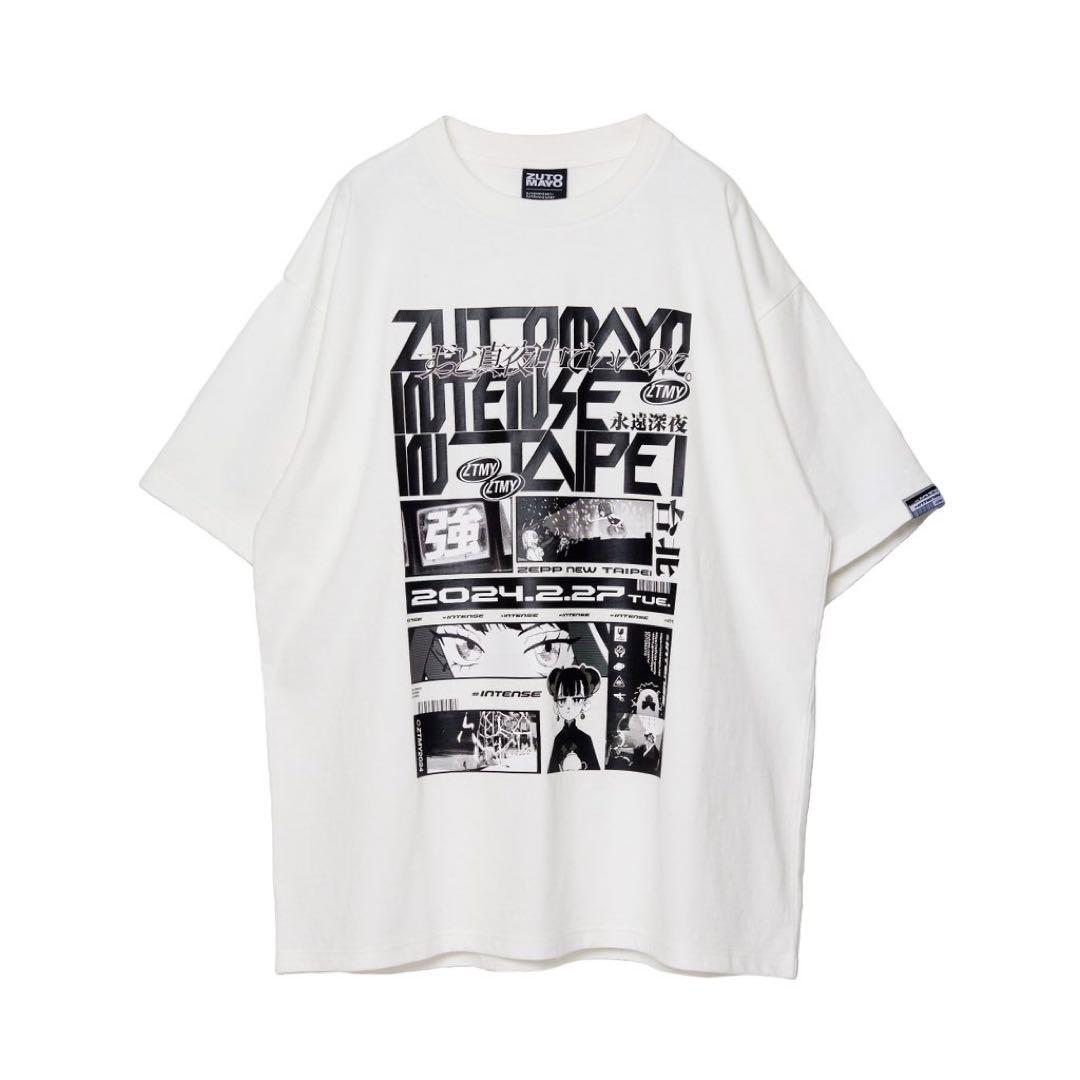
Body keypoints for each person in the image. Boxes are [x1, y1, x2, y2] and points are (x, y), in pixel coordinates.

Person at [546, 664, 601, 772]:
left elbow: (594, 772)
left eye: (576, 699)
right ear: (556, 704)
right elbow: (552, 770)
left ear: (584, 703)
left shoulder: (585, 739)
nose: (568, 706)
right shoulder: (558, 739)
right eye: (562, 700)